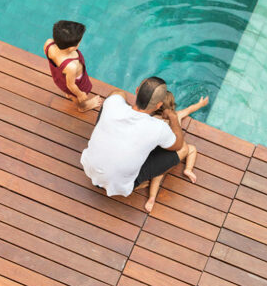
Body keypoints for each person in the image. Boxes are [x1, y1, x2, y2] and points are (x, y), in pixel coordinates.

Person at [80, 76, 207, 212]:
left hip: (90, 167)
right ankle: (136, 183)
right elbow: (178, 145)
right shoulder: (159, 128)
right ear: (159, 105)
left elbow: (116, 94)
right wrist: (173, 118)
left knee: (117, 94)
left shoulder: (113, 103)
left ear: (136, 91)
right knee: (184, 149)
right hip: (120, 184)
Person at [44, 20, 101, 113]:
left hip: (58, 76)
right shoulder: (71, 66)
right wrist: (80, 94)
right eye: (79, 42)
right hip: (75, 83)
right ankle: (82, 107)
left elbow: (52, 60)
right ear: (72, 48)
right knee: (75, 95)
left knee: (68, 90)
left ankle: (69, 93)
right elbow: (71, 85)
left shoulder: (49, 43)